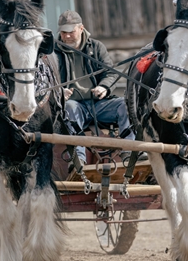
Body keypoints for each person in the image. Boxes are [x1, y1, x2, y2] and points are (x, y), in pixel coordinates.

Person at [54, 10, 146, 168]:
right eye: (63, 32)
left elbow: (110, 73)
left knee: (124, 105)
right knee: (69, 108)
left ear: (81, 28)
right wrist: (59, 92)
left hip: (99, 104)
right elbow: (47, 80)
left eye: (71, 32)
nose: (67, 36)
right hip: (74, 105)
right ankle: (78, 158)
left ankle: (130, 150)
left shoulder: (96, 47)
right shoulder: (53, 52)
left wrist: (104, 87)